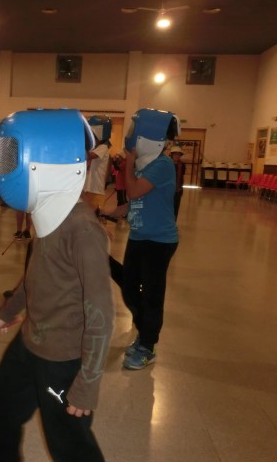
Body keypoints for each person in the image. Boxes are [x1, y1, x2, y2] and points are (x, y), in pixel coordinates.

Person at [0, 109, 114, 461]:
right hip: (29, 343)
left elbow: (102, 314)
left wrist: (87, 385)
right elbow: (36, 277)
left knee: (69, 446)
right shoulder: (47, 213)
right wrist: (4, 315)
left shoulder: (83, 231)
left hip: (63, 359)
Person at [102, 108, 180, 370]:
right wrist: (110, 212)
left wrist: (128, 163)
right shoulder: (147, 165)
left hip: (159, 241)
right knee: (129, 288)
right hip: (139, 236)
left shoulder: (162, 165)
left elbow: (134, 192)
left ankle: (148, 346)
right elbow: (135, 202)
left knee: (152, 296)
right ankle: (144, 332)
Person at [83, 115, 111, 211]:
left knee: (93, 215)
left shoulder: (103, 147)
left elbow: (89, 156)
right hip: (89, 188)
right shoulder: (96, 148)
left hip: (96, 190)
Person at [169, 145, 186, 219]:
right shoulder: (167, 163)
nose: (177, 156)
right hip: (167, 190)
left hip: (177, 190)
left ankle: (173, 222)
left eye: (179, 154)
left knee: (176, 207)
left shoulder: (182, 165)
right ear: (172, 155)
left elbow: (182, 176)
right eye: (175, 154)